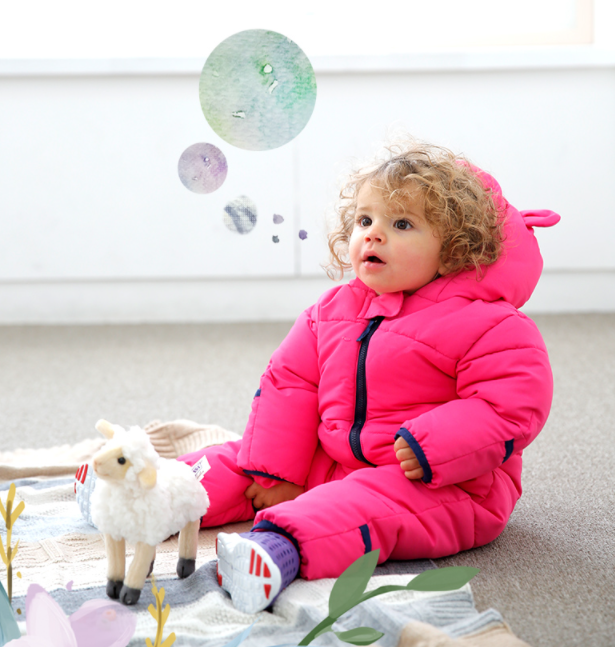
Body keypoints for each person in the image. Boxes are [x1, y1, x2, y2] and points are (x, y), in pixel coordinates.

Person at [177, 138, 560, 614]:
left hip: (437, 481)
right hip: (335, 458)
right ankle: (150, 492)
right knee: (243, 461)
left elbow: (511, 407)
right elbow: (289, 384)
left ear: (453, 250)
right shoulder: (331, 311)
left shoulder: (491, 323)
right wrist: (277, 472)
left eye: (401, 224)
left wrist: (435, 446)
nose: (373, 235)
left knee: (361, 504)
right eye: (365, 221)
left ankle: (275, 551)